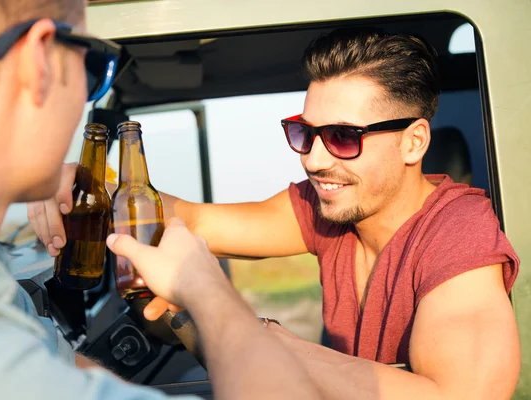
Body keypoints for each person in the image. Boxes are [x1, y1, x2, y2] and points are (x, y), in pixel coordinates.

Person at [32, 29, 521, 398]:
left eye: (344, 137)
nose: (313, 159)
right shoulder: (332, 209)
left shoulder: (459, 234)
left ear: (414, 142)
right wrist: (84, 179)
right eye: (305, 133)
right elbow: (195, 220)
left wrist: (255, 338)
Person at [0, 1, 323, 399]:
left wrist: (102, 188)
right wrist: (210, 293)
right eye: (93, 66)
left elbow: (58, 365)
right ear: (39, 63)